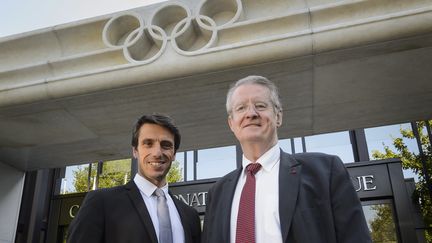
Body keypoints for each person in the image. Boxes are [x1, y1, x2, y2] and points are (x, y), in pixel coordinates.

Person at [202, 76, 371, 243]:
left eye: (260, 106)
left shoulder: (326, 172)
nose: (251, 113)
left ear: (278, 117)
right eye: (241, 108)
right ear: (231, 123)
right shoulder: (217, 193)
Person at [68, 114, 201, 243]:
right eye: (148, 144)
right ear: (135, 151)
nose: (157, 153)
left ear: (174, 154)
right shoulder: (101, 203)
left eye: (166, 145)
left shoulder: (190, 216)